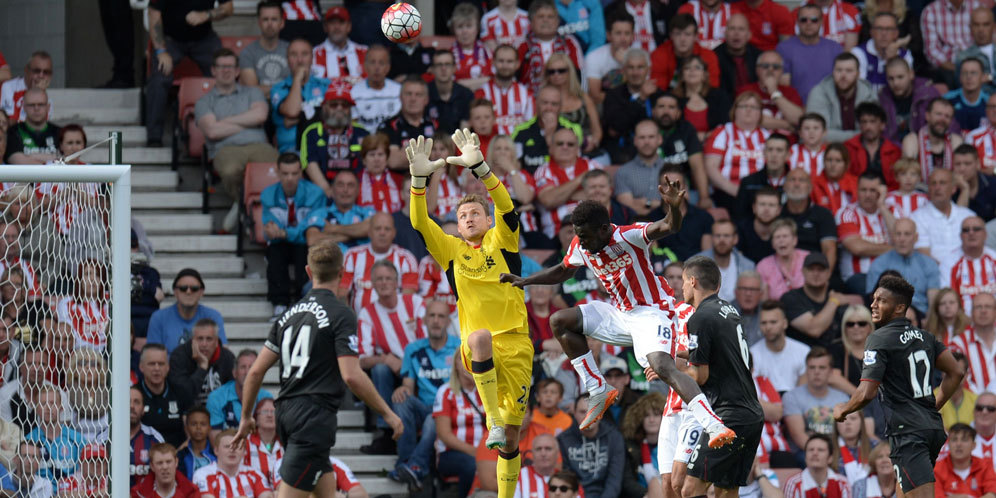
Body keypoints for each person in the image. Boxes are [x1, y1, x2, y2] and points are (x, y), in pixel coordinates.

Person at [502, 193, 736, 443]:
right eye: (577, 235)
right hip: (620, 313)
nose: (580, 241)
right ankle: (597, 388)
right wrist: (525, 280)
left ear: (604, 229)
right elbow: (562, 271)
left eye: (585, 236)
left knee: (662, 367)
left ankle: (713, 425)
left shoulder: (628, 236)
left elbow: (669, 225)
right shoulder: (580, 245)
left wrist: (674, 208)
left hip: (652, 312)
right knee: (560, 320)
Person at [407, 130, 536, 498]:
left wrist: (481, 168)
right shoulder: (450, 251)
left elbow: (507, 206)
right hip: (477, 346)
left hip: (517, 346)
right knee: (478, 337)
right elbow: (419, 222)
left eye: (475, 212)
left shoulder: (501, 240)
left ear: (485, 218)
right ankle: (491, 419)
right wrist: (419, 181)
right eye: (462, 215)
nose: (468, 218)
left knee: (513, 437)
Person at [232, 240, 403, 498]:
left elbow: (255, 373)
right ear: (342, 273)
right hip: (313, 419)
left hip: (286, 414)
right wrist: (388, 413)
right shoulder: (341, 313)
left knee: (324, 487)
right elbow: (351, 375)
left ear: (309, 272)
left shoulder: (288, 315)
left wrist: (246, 416)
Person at [833, 276, 966, 498]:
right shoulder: (926, 337)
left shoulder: (879, 338)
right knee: (903, 493)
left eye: (881, 300)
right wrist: (932, 406)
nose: (873, 305)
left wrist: (843, 409)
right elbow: (956, 372)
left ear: (900, 307)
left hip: (908, 433)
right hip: (930, 429)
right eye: (873, 299)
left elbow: (867, 392)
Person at [676, 256, 764, 498]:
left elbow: (699, 376)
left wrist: (670, 371)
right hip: (751, 414)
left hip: (729, 415)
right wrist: (686, 353)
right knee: (726, 491)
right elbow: (721, 353)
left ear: (693, 281)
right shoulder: (728, 309)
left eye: (683, 281)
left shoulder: (700, 317)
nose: (681, 287)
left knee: (690, 490)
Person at [195, 48, 277, 232]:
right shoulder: (204, 102)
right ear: (213, 70)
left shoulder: (252, 93)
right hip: (226, 148)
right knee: (231, 170)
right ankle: (246, 206)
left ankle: (240, 205)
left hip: (259, 146)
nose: (226, 70)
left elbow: (261, 115)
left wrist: (223, 122)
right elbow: (212, 132)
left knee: (278, 170)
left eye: (230, 66)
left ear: (238, 70)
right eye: (222, 66)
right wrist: (247, 120)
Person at [387, 299, 459, 489]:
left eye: (441, 316)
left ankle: (415, 465)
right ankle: (408, 463)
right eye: (432, 316)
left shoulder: (460, 347)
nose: (436, 321)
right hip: (425, 407)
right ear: (425, 320)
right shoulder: (413, 349)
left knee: (433, 419)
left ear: (448, 322)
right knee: (401, 400)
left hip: (452, 410)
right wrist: (403, 389)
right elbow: (408, 386)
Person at [144, 0, 231, 147]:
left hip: (204, 39)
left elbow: (228, 8)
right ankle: (154, 136)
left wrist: (206, 15)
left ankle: (228, 129)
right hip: (170, 40)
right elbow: (154, 13)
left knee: (226, 71)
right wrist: (161, 51)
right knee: (159, 77)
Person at [261, 153, 325, 316]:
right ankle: (279, 303)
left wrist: (284, 232)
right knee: (275, 250)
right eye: (285, 173)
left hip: (304, 243)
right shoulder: (267, 194)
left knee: (303, 248)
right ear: (277, 172)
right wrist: (270, 231)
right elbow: (269, 226)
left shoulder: (316, 193)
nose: (290, 178)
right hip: (281, 243)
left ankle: (301, 302)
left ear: (301, 173)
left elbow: (311, 227)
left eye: (294, 173)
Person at [337, 212, 419, 312]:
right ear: (369, 232)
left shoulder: (406, 259)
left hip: (393, 324)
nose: (382, 233)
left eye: (387, 229)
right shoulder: (352, 256)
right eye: (378, 228)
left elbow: (408, 300)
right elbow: (342, 295)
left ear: (394, 233)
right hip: (358, 324)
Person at [704, 91, 771, 210]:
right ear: (735, 110)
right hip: (727, 192)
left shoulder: (768, 137)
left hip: (760, 195)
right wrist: (735, 190)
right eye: (744, 106)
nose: (748, 110)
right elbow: (711, 167)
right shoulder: (722, 132)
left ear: (760, 113)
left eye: (754, 107)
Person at [865, 219, 939, 315]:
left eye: (907, 234)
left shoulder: (929, 264)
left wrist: (927, 323)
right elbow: (873, 301)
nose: (902, 239)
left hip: (921, 318)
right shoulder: (879, 264)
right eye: (898, 234)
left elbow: (933, 303)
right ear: (892, 237)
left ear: (916, 238)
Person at [601, 49, 663, 164]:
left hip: (655, 150)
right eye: (631, 67)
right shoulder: (613, 95)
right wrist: (641, 99)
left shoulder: (658, 95)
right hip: (623, 154)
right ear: (624, 70)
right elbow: (616, 128)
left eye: (640, 67)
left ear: (648, 70)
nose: (635, 73)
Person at [270, 38, 332, 153]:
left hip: (323, 147)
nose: (299, 60)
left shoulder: (325, 85)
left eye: (304, 54)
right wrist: (297, 79)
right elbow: (292, 111)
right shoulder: (278, 89)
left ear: (312, 58)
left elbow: (334, 117)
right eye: (293, 55)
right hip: (292, 151)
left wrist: (296, 120)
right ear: (287, 59)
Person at [836, 173, 895, 292]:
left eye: (873, 190)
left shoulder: (893, 210)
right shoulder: (847, 213)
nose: (867, 195)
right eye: (863, 190)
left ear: (881, 192)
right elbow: (857, 248)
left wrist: (882, 207)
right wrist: (894, 249)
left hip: (892, 275)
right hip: (860, 276)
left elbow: (902, 238)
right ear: (857, 190)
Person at [558, 395, 626, 498]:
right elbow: (566, 479)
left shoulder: (614, 438)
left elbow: (614, 480)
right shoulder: (563, 440)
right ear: (575, 414)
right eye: (582, 412)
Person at [146, 268, 226, 355]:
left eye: (194, 288)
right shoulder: (159, 318)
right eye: (183, 288)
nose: (188, 292)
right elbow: (153, 355)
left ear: (201, 292)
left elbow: (222, 353)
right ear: (175, 291)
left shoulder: (213, 317)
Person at [783, 347, 851, 448]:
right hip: (805, 453)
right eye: (812, 367)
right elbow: (798, 436)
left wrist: (835, 456)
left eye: (822, 367)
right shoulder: (791, 397)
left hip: (837, 452)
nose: (816, 372)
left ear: (831, 371)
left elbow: (848, 433)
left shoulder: (843, 399)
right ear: (806, 370)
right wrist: (822, 455)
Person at [776, 5, 844, 105]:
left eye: (814, 20)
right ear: (797, 22)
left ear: (821, 22)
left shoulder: (835, 48)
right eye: (804, 20)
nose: (809, 23)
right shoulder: (784, 48)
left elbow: (842, 83)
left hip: (829, 106)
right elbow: (784, 87)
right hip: (797, 108)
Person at [910, 169, 976, 266]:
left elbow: (976, 250)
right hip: (934, 275)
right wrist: (949, 273)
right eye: (933, 183)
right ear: (929, 189)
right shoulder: (917, 217)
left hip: (967, 273)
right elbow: (923, 255)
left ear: (953, 188)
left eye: (942, 183)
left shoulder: (968, 216)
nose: (937, 188)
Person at [806, 52, 878, 143]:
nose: (843, 76)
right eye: (839, 70)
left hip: (860, 149)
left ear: (858, 74)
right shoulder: (819, 92)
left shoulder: (869, 94)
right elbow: (815, 134)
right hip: (826, 149)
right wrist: (858, 136)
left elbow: (873, 132)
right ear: (833, 72)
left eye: (849, 71)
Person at [517, 0, 584, 94]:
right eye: (540, 16)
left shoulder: (569, 42)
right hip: (530, 101)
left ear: (557, 21)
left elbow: (579, 75)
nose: (545, 20)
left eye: (550, 17)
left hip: (565, 99)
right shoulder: (522, 45)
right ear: (531, 22)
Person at [781, 252, 846, 348]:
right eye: (811, 269)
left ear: (829, 273)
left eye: (821, 270)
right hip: (801, 358)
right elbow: (814, 329)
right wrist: (834, 301)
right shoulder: (790, 298)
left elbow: (858, 300)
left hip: (834, 357)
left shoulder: (839, 294)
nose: (816, 274)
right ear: (803, 271)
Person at [168, 319, 235, 406]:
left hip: (218, 413)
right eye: (200, 339)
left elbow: (233, 394)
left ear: (216, 342)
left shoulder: (228, 358)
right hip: (187, 414)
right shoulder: (178, 357)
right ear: (192, 340)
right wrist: (202, 367)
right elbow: (183, 396)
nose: (204, 344)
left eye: (209, 339)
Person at [379, 77, 440, 171]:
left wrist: (406, 152)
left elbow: (442, 158)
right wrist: (428, 152)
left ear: (426, 100)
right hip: (399, 183)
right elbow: (393, 161)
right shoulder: (388, 126)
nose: (413, 99)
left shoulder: (437, 124)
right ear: (400, 97)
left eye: (418, 95)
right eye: (408, 94)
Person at [880, 58, 946, 145]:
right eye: (891, 79)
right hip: (892, 150)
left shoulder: (928, 94)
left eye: (900, 77)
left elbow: (946, 121)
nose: (895, 83)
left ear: (911, 74)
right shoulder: (883, 98)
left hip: (924, 146)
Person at [921, 0, 987, 86]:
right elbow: (931, 51)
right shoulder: (930, 11)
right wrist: (958, 69)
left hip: (977, 63)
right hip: (948, 68)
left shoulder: (978, 7)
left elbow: (986, 42)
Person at [206, 350, 273, 434]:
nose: (247, 372)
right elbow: (215, 439)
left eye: (252, 367)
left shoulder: (266, 399)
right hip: (227, 446)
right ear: (234, 373)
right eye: (243, 367)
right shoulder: (216, 398)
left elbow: (269, 435)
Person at [650, 14, 722, 92]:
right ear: (671, 36)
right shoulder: (659, 54)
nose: (682, 39)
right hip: (669, 100)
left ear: (696, 36)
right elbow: (658, 88)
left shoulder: (708, 56)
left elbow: (713, 87)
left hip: (701, 98)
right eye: (678, 34)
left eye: (687, 34)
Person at [750, 300, 810, 393]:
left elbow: (803, 393)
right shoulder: (752, 354)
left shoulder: (803, 351)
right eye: (763, 323)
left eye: (773, 322)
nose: (768, 327)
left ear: (785, 323)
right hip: (766, 406)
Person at [136, 344, 189, 447]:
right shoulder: (133, 395)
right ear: (141, 367)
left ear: (168, 367)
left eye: (161, 364)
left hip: (175, 457)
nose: (157, 368)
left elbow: (190, 436)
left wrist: (175, 456)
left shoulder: (181, 393)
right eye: (151, 364)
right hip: (141, 458)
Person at [192, 430, 272, 498]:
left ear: (245, 452)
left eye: (237, 447)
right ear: (216, 451)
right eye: (227, 446)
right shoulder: (203, 475)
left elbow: (267, 496)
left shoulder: (255, 474)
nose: (232, 450)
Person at [740, 50, 804, 132]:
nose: (770, 69)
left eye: (776, 67)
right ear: (757, 70)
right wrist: (786, 125)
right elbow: (749, 117)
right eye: (765, 66)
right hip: (755, 142)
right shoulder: (747, 90)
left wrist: (774, 91)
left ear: (782, 71)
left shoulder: (791, 92)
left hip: (787, 143)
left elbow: (799, 119)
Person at [693, 220, 756, 303]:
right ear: (711, 238)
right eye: (718, 236)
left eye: (726, 236)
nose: (722, 240)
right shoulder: (696, 264)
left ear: (735, 239)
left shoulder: (748, 266)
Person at [477, 45, 534, 137]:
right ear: (493, 62)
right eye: (501, 61)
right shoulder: (482, 93)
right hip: (490, 146)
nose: (505, 66)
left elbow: (531, 126)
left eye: (509, 61)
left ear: (518, 64)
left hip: (519, 147)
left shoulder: (526, 94)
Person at [902, 98, 964, 181]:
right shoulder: (912, 140)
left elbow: (960, 176)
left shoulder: (956, 141)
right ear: (927, 116)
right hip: (919, 191)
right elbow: (907, 177)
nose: (942, 119)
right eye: (938, 114)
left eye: (947, 116)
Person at [238, 1, 289, 100]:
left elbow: (297, 86)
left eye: (274, 19)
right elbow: (253, 92)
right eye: (265, 19)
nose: (270, 24)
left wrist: (267, 90)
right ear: (259, 23)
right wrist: (284, 89)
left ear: (282, 23)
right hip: (258, 106)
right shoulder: (247, 53)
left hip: (286, 105)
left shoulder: (291, 50)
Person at [942, 222, 996, 315]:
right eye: (966, 230)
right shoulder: (949, 262)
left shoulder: (994, 258)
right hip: (961, 322)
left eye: (976, 229)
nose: (971, 233)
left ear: (985, 234)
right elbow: (947, 298)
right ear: (960, 236)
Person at [851, 12, 913, 93]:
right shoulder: (858, 53)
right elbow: (859, 90)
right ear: (872, 32)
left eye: (888, 29)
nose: (884, 33)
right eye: (879, 28)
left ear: (896, 33)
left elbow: (903, 91)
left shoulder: (905, 55)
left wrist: (892, 60)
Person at [674, 56, 731, 141]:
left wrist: (706, 135)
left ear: (705, 75)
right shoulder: (674, 99)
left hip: (714, 143)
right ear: (682, 75)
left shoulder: (719, 96)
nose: (692, 70)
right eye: (687, 68)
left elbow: (726, 125)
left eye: (697, 67)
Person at [845, 102, 902, 187]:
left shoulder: (894, 151)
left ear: (882, 125)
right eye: (864, 122)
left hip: (887, 197)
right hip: (856, 195)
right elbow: (845, 177)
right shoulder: (848, 148)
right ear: (860, 125)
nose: (868, 127)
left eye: (872, 122)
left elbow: (897, 182)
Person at [584, 13, 635, 106]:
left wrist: (626, 65)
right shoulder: (594, 57)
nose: (623, 39)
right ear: (608, 35)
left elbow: (641, 90)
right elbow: (595, 96)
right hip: (603, 105)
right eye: (618, 33)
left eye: (627, 33)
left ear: (633, 36)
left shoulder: (640, 56)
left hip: (631, 104)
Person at [934, 423, 996, 497]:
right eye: (954, 440)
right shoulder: (937, 469)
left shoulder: (985, 466)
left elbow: (992, 494)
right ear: (948, 444)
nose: (958, 444)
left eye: (964, 440)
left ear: (973, 445)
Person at [737, 133, 790, 219]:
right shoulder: (748, 182)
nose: (774, 155)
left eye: (779, 150)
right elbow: (740, 216)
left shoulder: (796, 183)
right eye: (770, 150)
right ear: (764, 153)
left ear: (788, 155)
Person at [782, 435, 851, 498]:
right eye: (811, 450)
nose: (815, 453)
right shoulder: (793, 484)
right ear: (805, 457)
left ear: (830, 458)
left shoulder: (843, 483)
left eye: (820, 450)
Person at [4, 88, 59, 164]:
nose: (36, 108)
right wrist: (52, 159)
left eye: (41, 104)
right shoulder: (12, 132)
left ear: (48, 107)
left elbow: (67, 159)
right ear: (23, 107)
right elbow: (17, 161)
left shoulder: (60, 132)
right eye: (31, 105)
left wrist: (30, 156)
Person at [757, 219, 809, 300]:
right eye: (777, 237)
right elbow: (764, 302)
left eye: (785, 236)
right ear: (772, 243)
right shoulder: (763, 266)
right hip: (777, 310)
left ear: (794, 240)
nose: (781, 240)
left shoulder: (807, 258)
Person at [311, 7, 367, 82]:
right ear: (325, 27)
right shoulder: (313, 54)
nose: (337, 27)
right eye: (332, 22)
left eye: (341, 22)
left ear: (349, 26)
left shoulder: (365, 52)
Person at [428, 51, 475, 134]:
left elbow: (464, 131)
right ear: (432, 69)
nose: (443, 68)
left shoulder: (466, 95)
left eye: (447, 64)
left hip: (458, 143)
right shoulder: (424, 93)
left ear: (454, 68)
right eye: (439, 65)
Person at [131, 442, 200, 498]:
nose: (165, 467)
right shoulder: (137, 494)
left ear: (176, 462)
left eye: (168, 462)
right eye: (159, 463)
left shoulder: (192, 492)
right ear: (152, 466)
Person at [0, 51, 53, 123]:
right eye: (36, 71)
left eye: (46, 72)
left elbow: (38, 128)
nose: (41, 75)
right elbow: (9, 125)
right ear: (26, 70)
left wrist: (37, 95)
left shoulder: (47, 100)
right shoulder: (9, 87)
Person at [131, 385, 166, 485]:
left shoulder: (154, 438)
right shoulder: (104, 438)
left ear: (143, 409)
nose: (131, 406)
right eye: (127, 401)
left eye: (136, 402)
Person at [953, 143, 996, 221]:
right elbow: (956, 222)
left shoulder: (993, 184)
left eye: (967, 163)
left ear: (978, 164)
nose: (962, 169)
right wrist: (964, 189)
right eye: (957, 164)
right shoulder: (949, 189)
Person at [946, 57, 991, 131]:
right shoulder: (947, 99)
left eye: (973, 73)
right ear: (960, 77)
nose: (969, 77)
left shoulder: (989, 103)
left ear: (983, 77)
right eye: (964, 73)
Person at [736, 187, 780, 262]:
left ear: (779, 210)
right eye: (762, 204)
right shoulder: (740, 230)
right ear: (754, 208)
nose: (766, 209)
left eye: (771, 205)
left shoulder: (785, 231)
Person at [177, 406, 216, 479]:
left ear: (209, 428)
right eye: (194, 424)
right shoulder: (180, 456)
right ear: (186, 428)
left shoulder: (216, 454)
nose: (198, 427)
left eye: (203, 424)